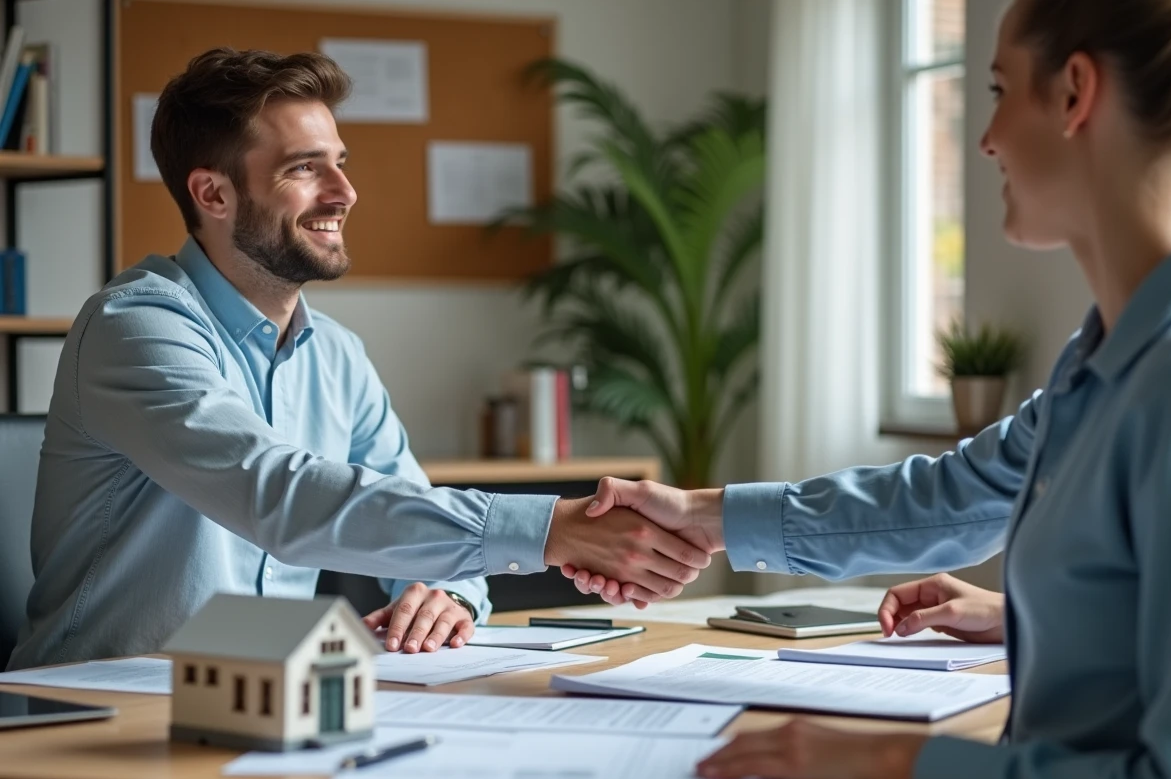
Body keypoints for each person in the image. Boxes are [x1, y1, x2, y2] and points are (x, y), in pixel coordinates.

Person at [565, 0, 1171, 779]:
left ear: (1075, 93)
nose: (986, 139)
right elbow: (956, 496)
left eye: (1000, 91)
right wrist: (704, 515)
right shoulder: (1103, 357)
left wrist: (888, 759)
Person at [5, 48, 711, 672]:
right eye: (304, 169)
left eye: (339, 163)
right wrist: (552, 530)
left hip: (269, 701)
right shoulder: (137, 328)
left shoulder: (338, 356)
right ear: (212, 193)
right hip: (98, 701)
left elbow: (408, 506)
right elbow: (280, 496)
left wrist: (446, 591)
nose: (344, 193)